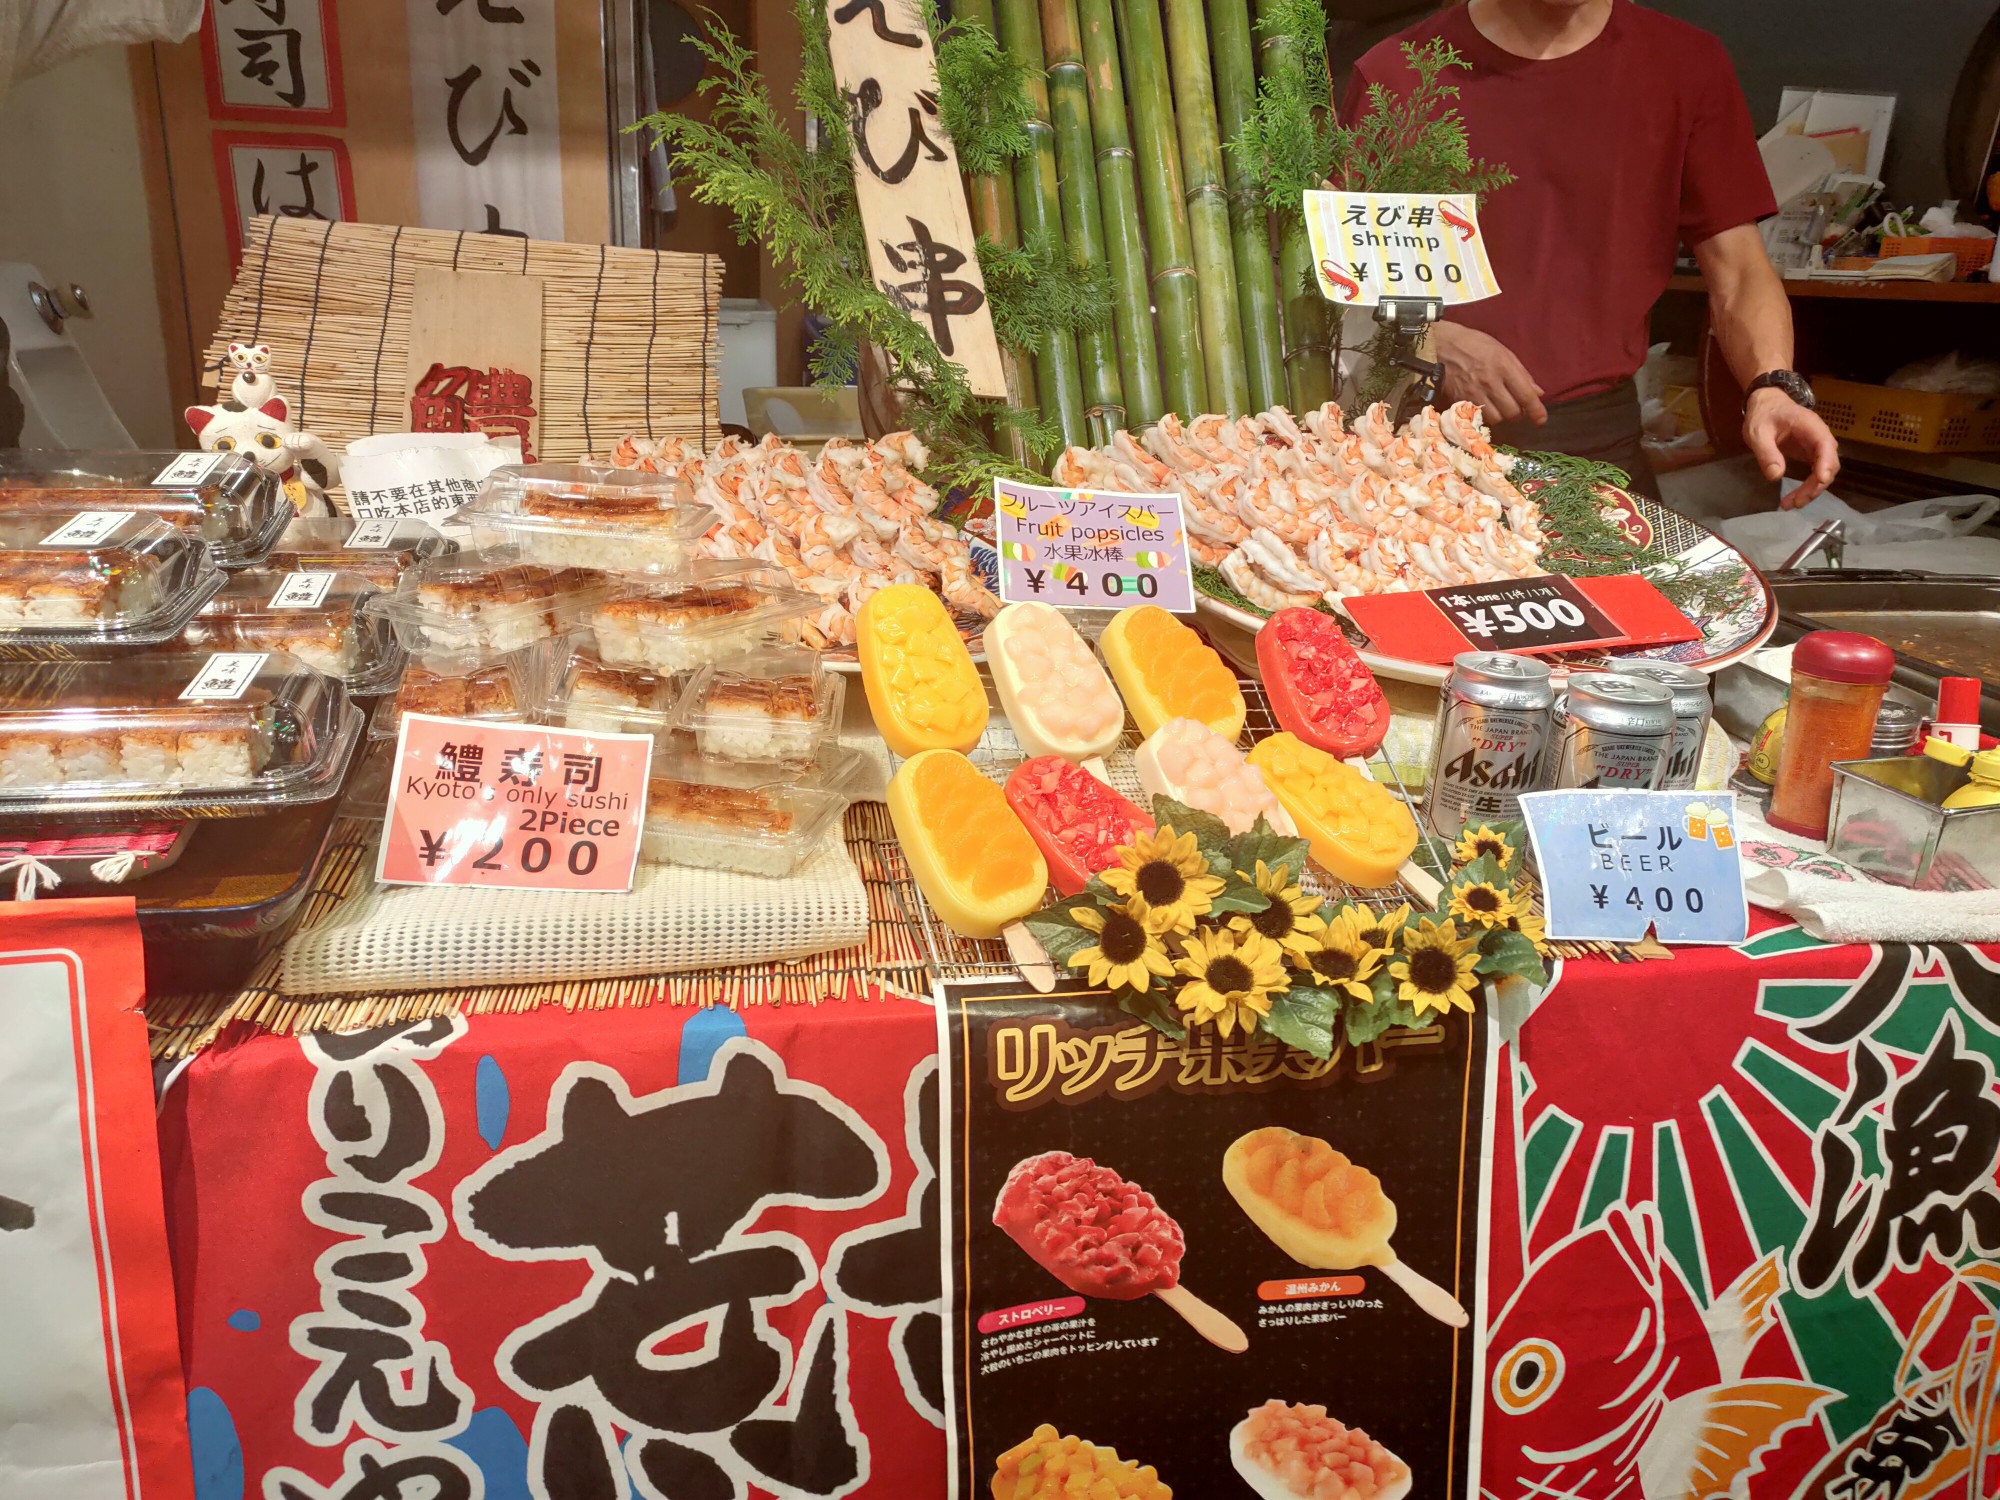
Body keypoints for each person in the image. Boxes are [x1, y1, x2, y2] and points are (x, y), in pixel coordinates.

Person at [1343, 0, 1841, 507]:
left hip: (1599, 442)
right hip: (1421, 448)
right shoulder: (1400, 72)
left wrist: (1772, 383)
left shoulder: (1684, 63)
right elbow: (1348, 285)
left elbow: (1739, 272)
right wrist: (1432, 336)